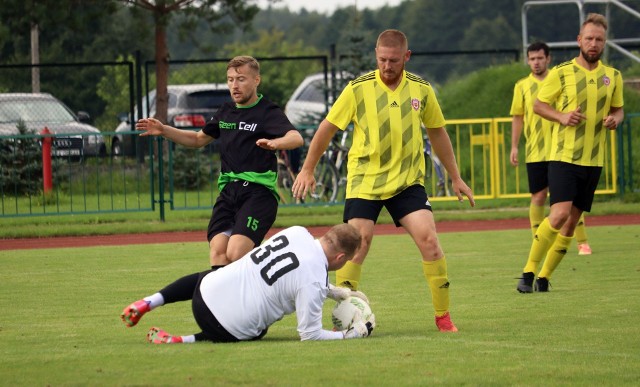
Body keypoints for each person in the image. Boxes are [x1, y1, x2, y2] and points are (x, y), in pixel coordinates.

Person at [291, 29, 475, 332]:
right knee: (355, 243)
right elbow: (327, 128)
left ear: (406, 57)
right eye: (381, 60)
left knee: (430, 241)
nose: (387, 66)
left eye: (393, 60)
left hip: (407, 182)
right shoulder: (358, 89)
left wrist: (456, 177)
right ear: (376, 56)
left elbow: (438, 132)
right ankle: (343, 319)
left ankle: (443, 317)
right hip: (366, 180)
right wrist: (308, 169)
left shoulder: (422, 90)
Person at [136, 56, 304, 269]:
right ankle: (226, 301)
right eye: (230, 79)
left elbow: (296, 138)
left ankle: (277, 270)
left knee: (235, 252)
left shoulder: (267, 111)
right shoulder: (225, 111)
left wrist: (275, 142)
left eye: (241, 79)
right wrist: (164, 130)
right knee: (218, 253)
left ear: (256, 80)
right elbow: (198, 139)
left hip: (258, 194)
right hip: (228, 193)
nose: (235, 85)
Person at [120, 224, 375, 343]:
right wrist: (350, 334)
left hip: (204, 293)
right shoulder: (314, 281)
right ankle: (183, 340)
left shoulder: (297, 231)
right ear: (341, 258)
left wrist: (334, 291)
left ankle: (150, 301)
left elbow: (293, 273)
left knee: (207, 277)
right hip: (225, 327)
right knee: (256, 326)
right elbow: (309, 335)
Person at [516, 13, 624, 293]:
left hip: (594, 159)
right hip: (563, 157)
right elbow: (539, 105)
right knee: (559, 214)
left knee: (572, 222)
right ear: (579, 40)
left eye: (599, 39)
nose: (593, 43)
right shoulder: (562, 72)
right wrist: (562, 116)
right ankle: (527, 273)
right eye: (589, 38)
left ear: (604, 43)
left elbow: (618, 109)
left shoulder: (613, 77)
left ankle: (543, 278)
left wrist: (616, 119)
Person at [509, 42, 592, 255]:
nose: (536, 62)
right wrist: (514, 146)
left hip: (561, 150)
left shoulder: (560, 80)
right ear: (527, 60)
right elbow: (518, 117)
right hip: (536, 151)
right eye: (532, 58)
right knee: (538, 196)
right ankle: (539, 239)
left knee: (568, 198)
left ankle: (581, 241)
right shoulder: (522, 86)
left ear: (548, 59)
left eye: (540, 58)